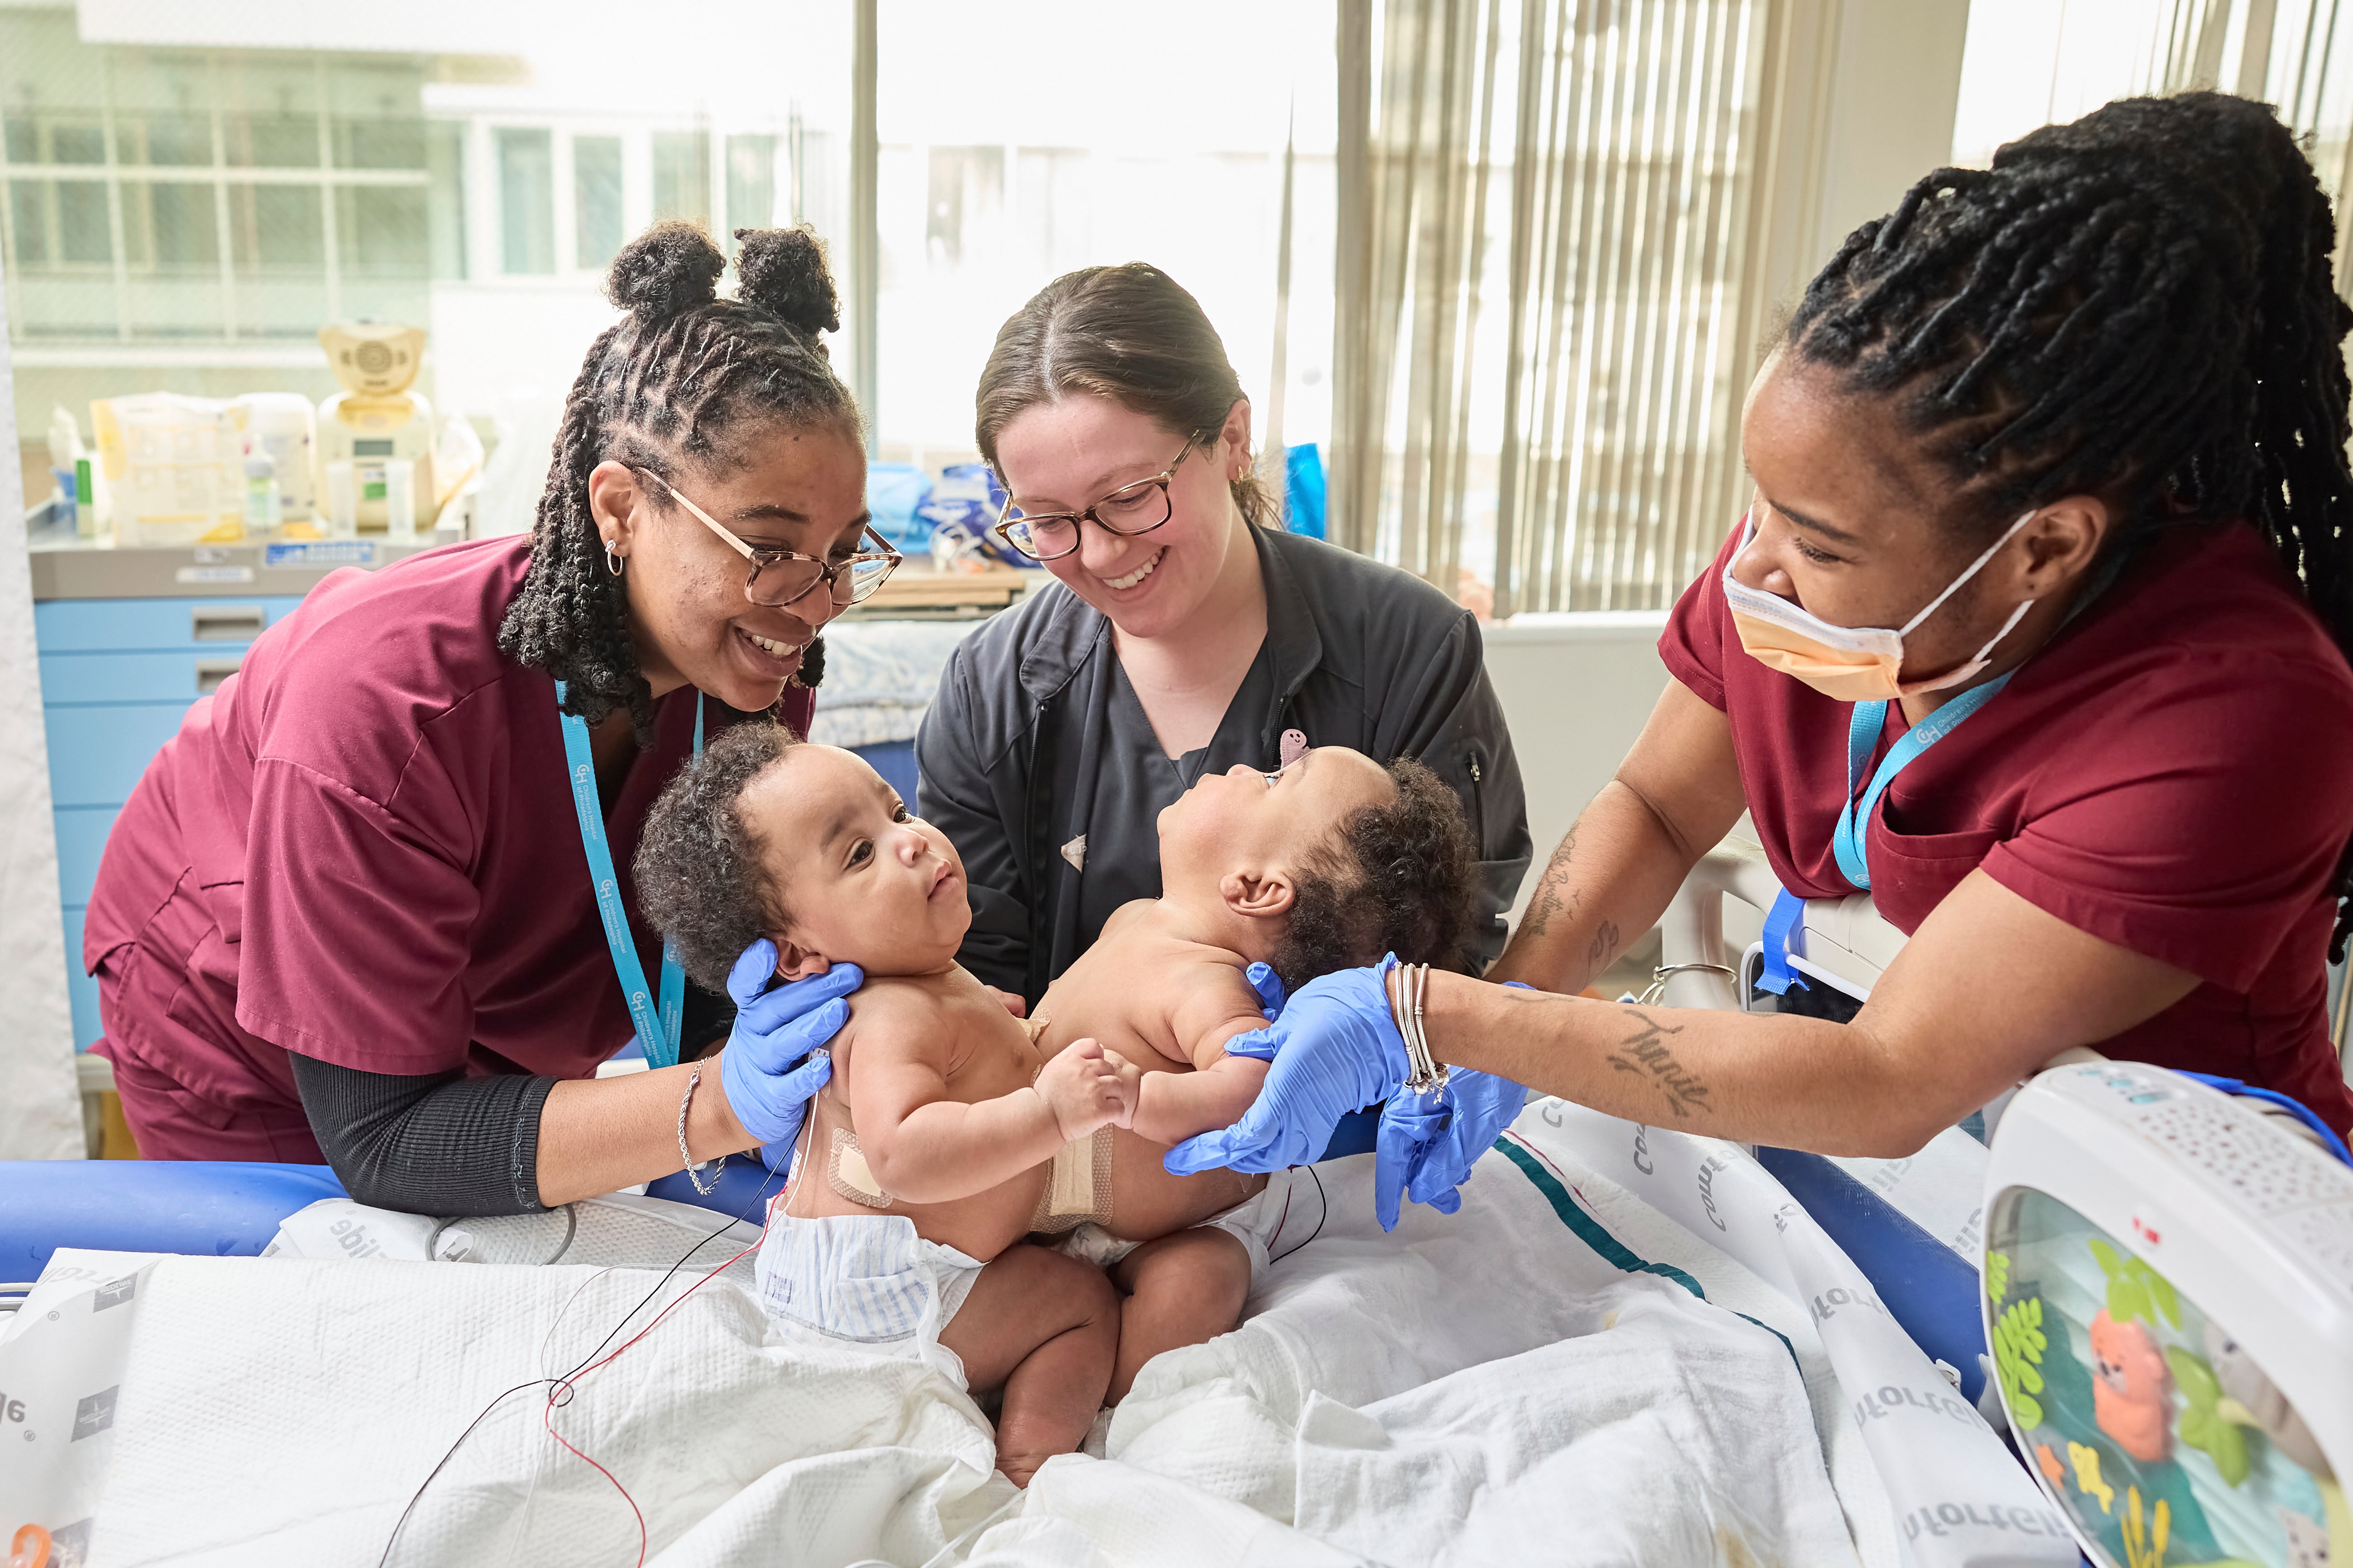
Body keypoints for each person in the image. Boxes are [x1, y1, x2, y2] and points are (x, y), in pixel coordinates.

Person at [1168, 93, 2353, 1207]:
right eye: (1760, 503)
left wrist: (1438, 1015)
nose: (1749, 568)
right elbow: (1655, 803)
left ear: (2040, 548)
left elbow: (1891, 1077)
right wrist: (1513, 992)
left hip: (2179, 1245)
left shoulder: (2236, 716)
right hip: (1932, 1178)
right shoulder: (1816, 566)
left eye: (1815, 540)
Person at [80, 221, 877, 1214]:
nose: (817, 600)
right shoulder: (386, 706)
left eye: (847, 550)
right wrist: (717, 1102)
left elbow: (713, 950)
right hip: (244, 1034)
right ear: (622, 510)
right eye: (770, 547)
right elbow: (385, 1138)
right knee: (335, 1300)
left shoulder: (754, 655)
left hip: (479, 1028)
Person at [635, 724, 1485, 1404]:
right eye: (860, 850)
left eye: (1271, 780)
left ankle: (1130, 1412)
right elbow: (908, 1142)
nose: (910, 840)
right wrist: (1036, 1088)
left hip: (1129, 1221)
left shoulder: (1196, 972)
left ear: (1255, 888)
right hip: (956, 1258)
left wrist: (1131, 1094)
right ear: (795, 954)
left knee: (1198, 1276)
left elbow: (1255, 1085)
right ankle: (1042, 1446)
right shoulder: (907, 1005)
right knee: (1071, 1303)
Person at [914, 262, 1532, 1008]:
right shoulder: (991, 692)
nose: (1101, 551)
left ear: (1232, 439)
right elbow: (968, 976)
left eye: (1131, 496)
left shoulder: (1410, 649)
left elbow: (1447, 951)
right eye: (1048, 520)